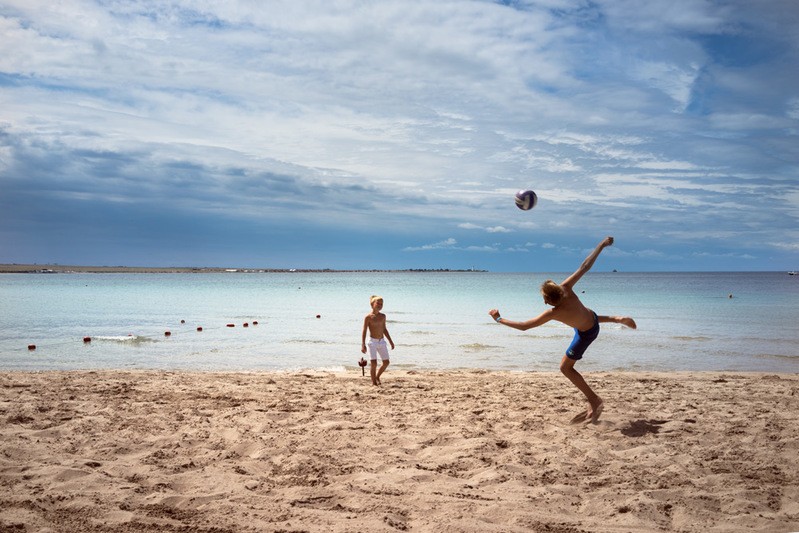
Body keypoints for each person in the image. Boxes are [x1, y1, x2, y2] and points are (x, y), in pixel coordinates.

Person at [488, 237, 636, 423]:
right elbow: (585, 266)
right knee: (585, 319)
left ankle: (594, 399)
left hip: (587, 333)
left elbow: (525, 326)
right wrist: (601, 245)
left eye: (545, 299)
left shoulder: (552, 313)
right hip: (591, 318)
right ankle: (615, 318)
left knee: (565, 368)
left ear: (549, 300)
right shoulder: (566, 288)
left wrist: (499, 319)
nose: (544, 301)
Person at [361, 295, 395, 386]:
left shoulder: (383, 316)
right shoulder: (368, 317)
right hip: (372, 342)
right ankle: (374, 383)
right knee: (374, 363)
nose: (380, 305)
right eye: (378, 303)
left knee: (386, 362)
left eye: (381, 304)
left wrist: (391, 341)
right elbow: (364, 331)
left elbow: (384, 329)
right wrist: (363, 344)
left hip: (382, 341)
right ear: (372, 304)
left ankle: (377, 376)